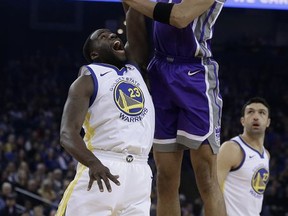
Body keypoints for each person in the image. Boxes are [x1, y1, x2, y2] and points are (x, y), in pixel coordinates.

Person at [122, 0, 226, 215]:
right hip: (159, 70)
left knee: (206, 178)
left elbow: (180, 17)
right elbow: (136, 15)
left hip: (195, 75)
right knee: (165, 178)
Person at [55, 5, 155, 216]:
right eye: (103, 37)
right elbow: (67, 133)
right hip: (103, 164)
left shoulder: (134, 68)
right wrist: (93, 163)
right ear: (94, 53)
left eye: (112, 35)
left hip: (140, 171)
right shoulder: (86, 80)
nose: (111, 36)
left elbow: (135, 16)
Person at [217, 97, 271, 216]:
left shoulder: (266, 155)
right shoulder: (231, 148)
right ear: (242, 121)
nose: (256, 116)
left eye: (262, 113)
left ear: (268, 122)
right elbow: (213, 192)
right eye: (250, 112)